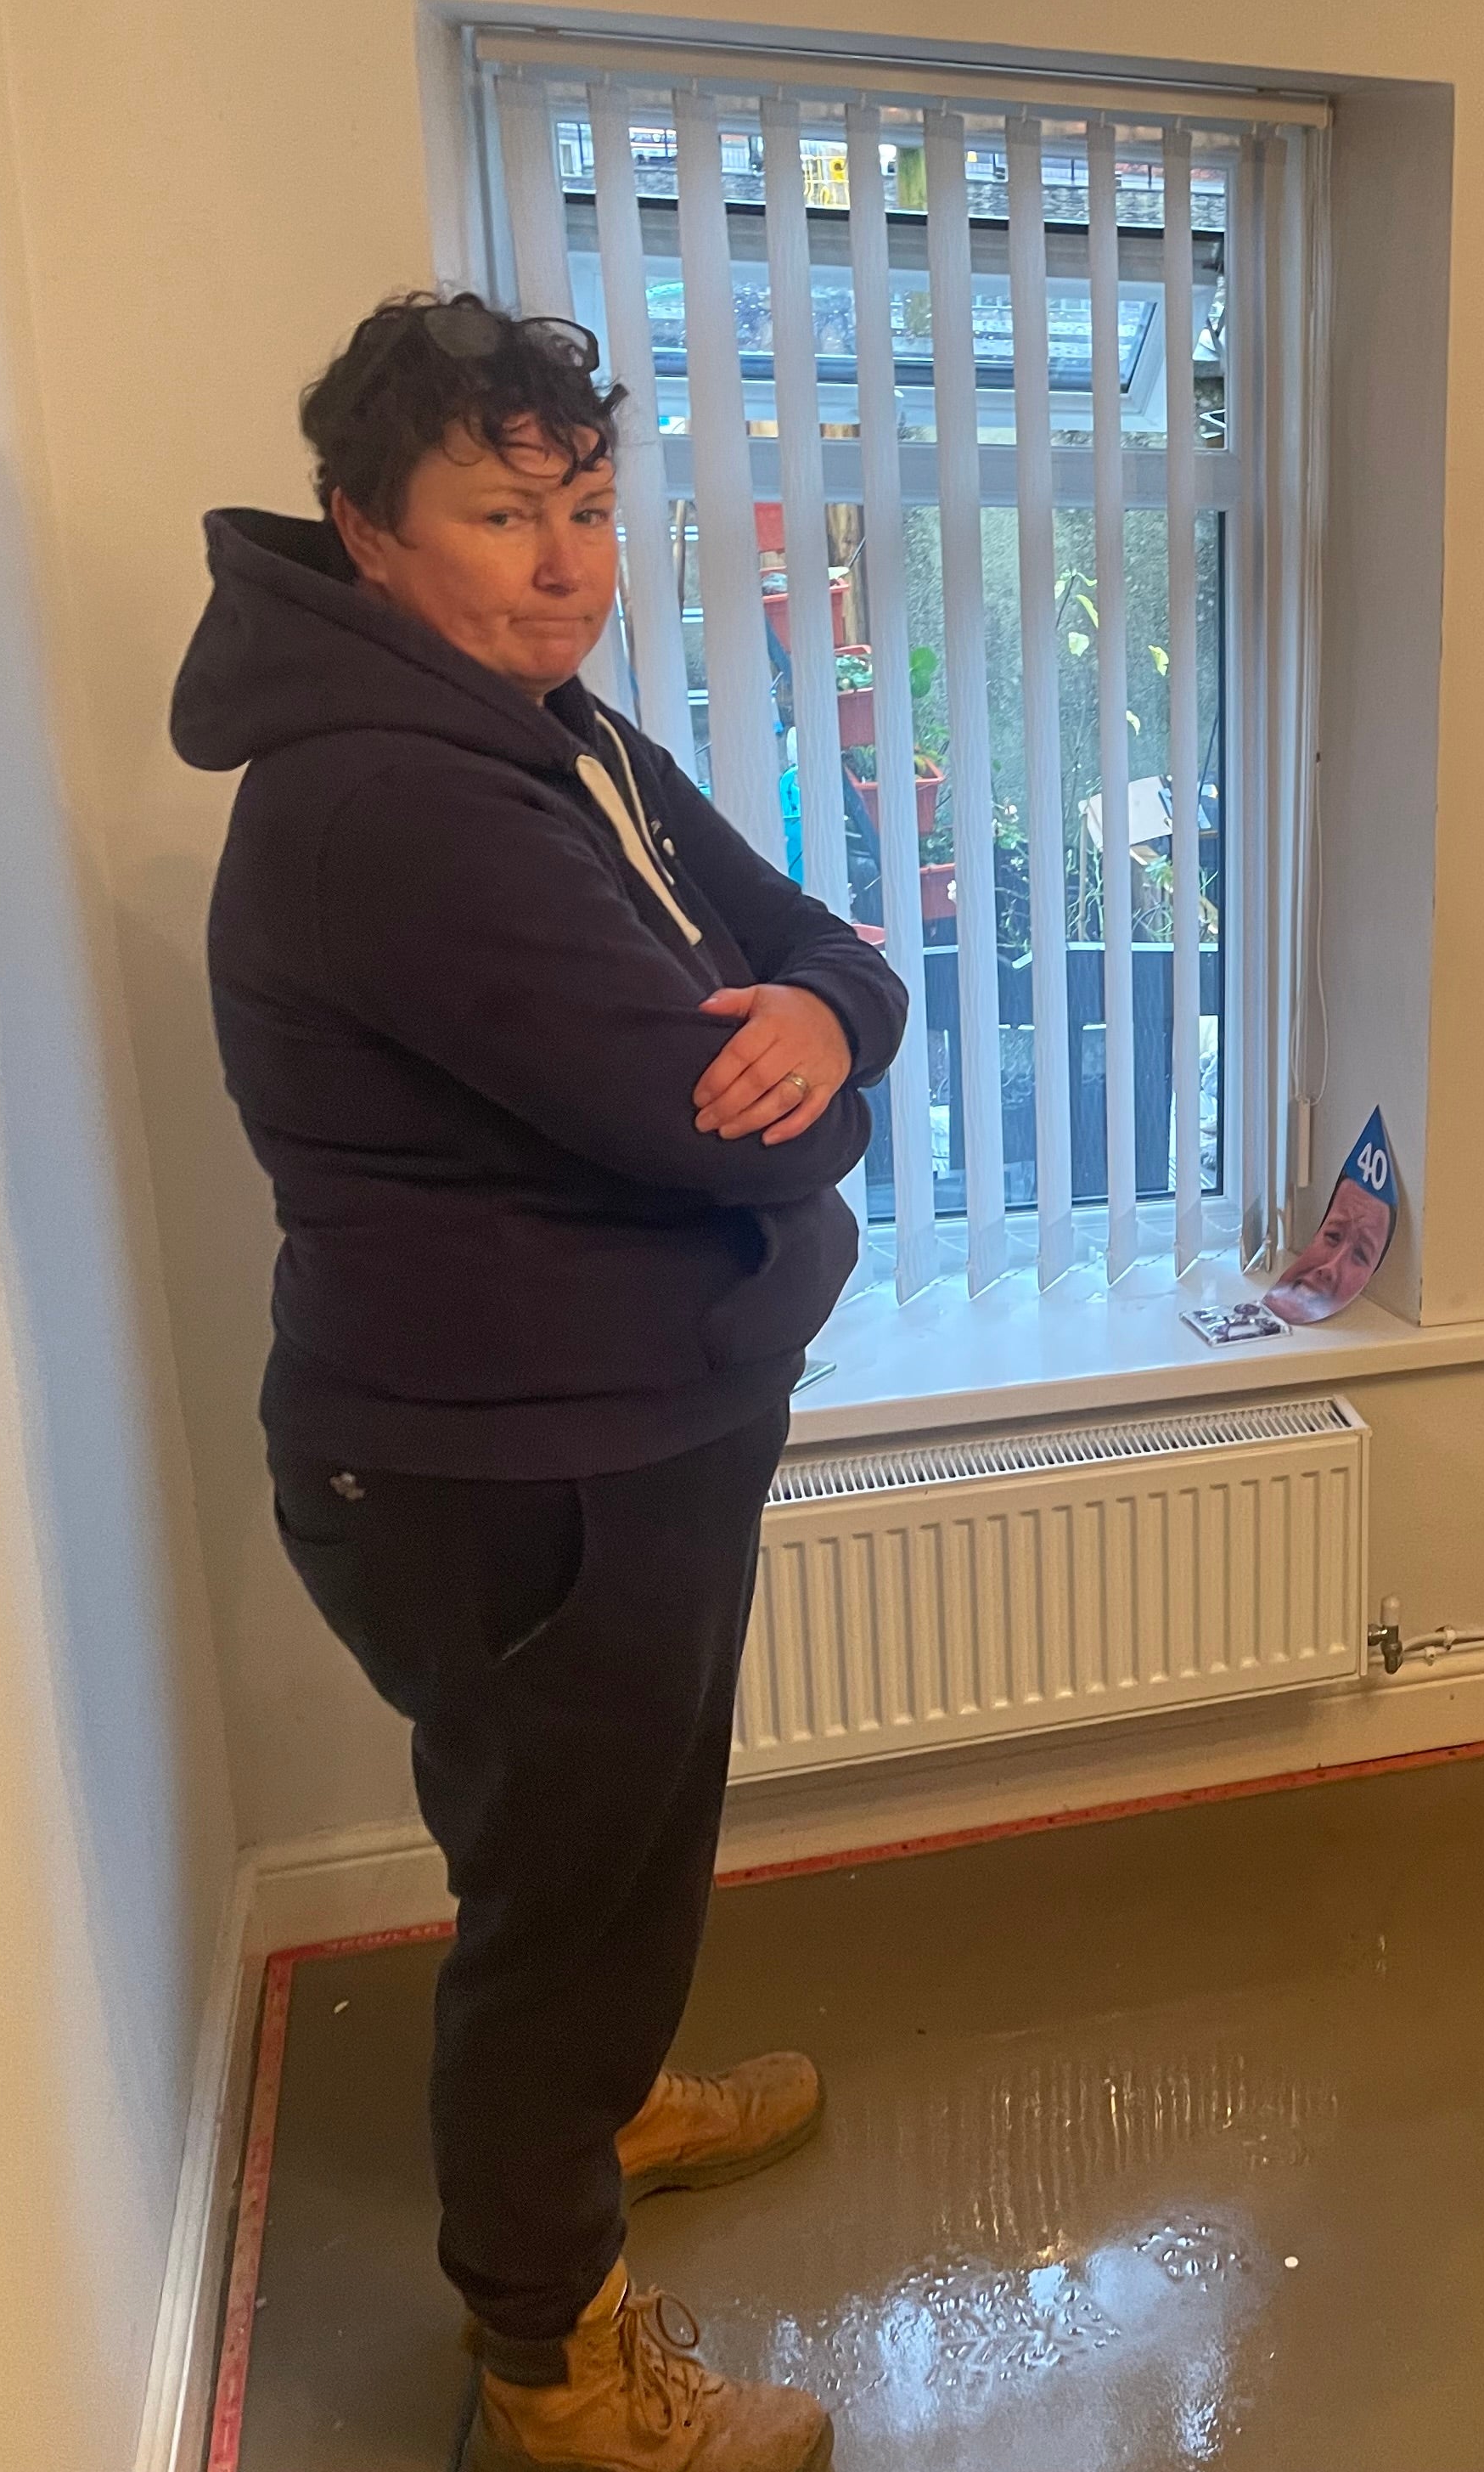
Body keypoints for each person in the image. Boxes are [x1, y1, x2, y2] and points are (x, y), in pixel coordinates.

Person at [176, 292, 902, 2472]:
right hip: (515, 1473)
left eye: (587, 504)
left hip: (627, 1429)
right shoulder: (391, 802)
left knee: (614, 1857)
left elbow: (828, 945)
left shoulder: (553, 729)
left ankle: (593, 2112)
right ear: (365, 534)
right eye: (504, 513)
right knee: (557, 1906)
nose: (566, 557)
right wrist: (816, 1079)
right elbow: (700, 1116)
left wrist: (835, 1021)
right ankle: (552, 2369)